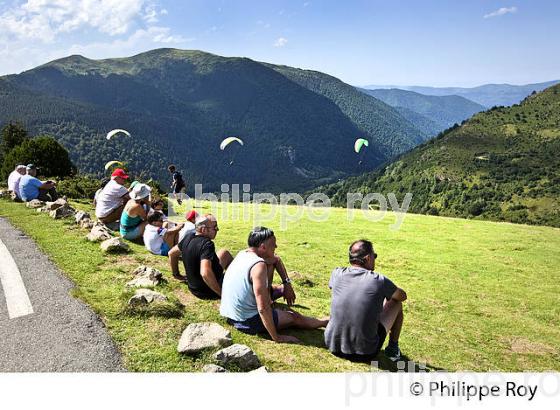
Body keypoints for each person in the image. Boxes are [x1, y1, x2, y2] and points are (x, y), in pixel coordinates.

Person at [220, 226, 328, 343]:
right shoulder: (258, 265)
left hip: (230, 315)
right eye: (273, 244)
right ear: (263, 247)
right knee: (294, 317)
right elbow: (263, 308)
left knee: (273, 273)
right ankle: (324, 322)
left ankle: (277, 300)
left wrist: (287, 284)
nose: (276, 247)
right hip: (246, 321)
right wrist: (276, 337)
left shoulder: (244, 254)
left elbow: (276, 259)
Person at [325, 240, 407, 362]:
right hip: (365, 352)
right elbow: (402, 296)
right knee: (396, 303)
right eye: (375, 256)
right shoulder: (379, 280)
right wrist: (386, 293)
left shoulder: (337, 273)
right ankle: (393, 349)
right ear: (368, 258)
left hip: (332, 345)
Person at [168, 214, 233, 296]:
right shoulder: (207, 244)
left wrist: (176, 274)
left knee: (224, 253)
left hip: (193, 287)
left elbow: (171, 253)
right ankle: (236, 281)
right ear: (203, 229)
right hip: (206, 290)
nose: (217, 230)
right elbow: (205, 273)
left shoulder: (188, 237)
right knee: (225, 255)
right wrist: (221, 294)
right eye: (215, 228)